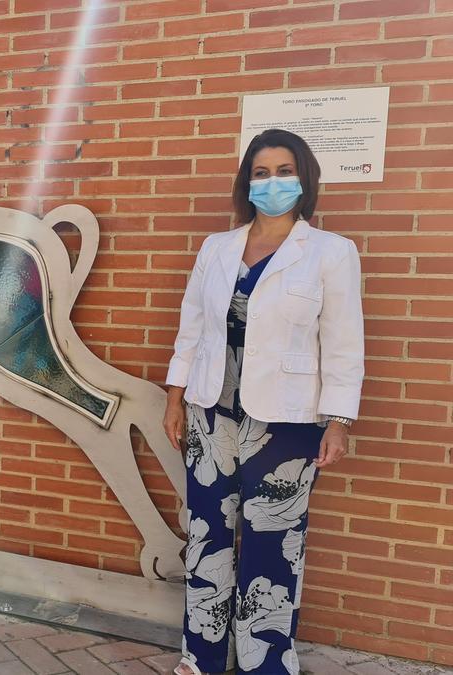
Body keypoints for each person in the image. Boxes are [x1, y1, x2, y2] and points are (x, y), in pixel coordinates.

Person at [163, 129, 364, 675]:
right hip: (211, 408)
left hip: (288, 420)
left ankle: (267, 663)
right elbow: (193, 326)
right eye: (260, 172)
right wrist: (175, 396)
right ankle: (200, 655)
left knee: (272, 540)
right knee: (207, 533)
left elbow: (344, 343)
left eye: (283, 171)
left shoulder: (330, 253)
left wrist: (339, 420)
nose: (271, 182)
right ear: (245, 181)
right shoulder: (217, 248)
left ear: (304, 179)